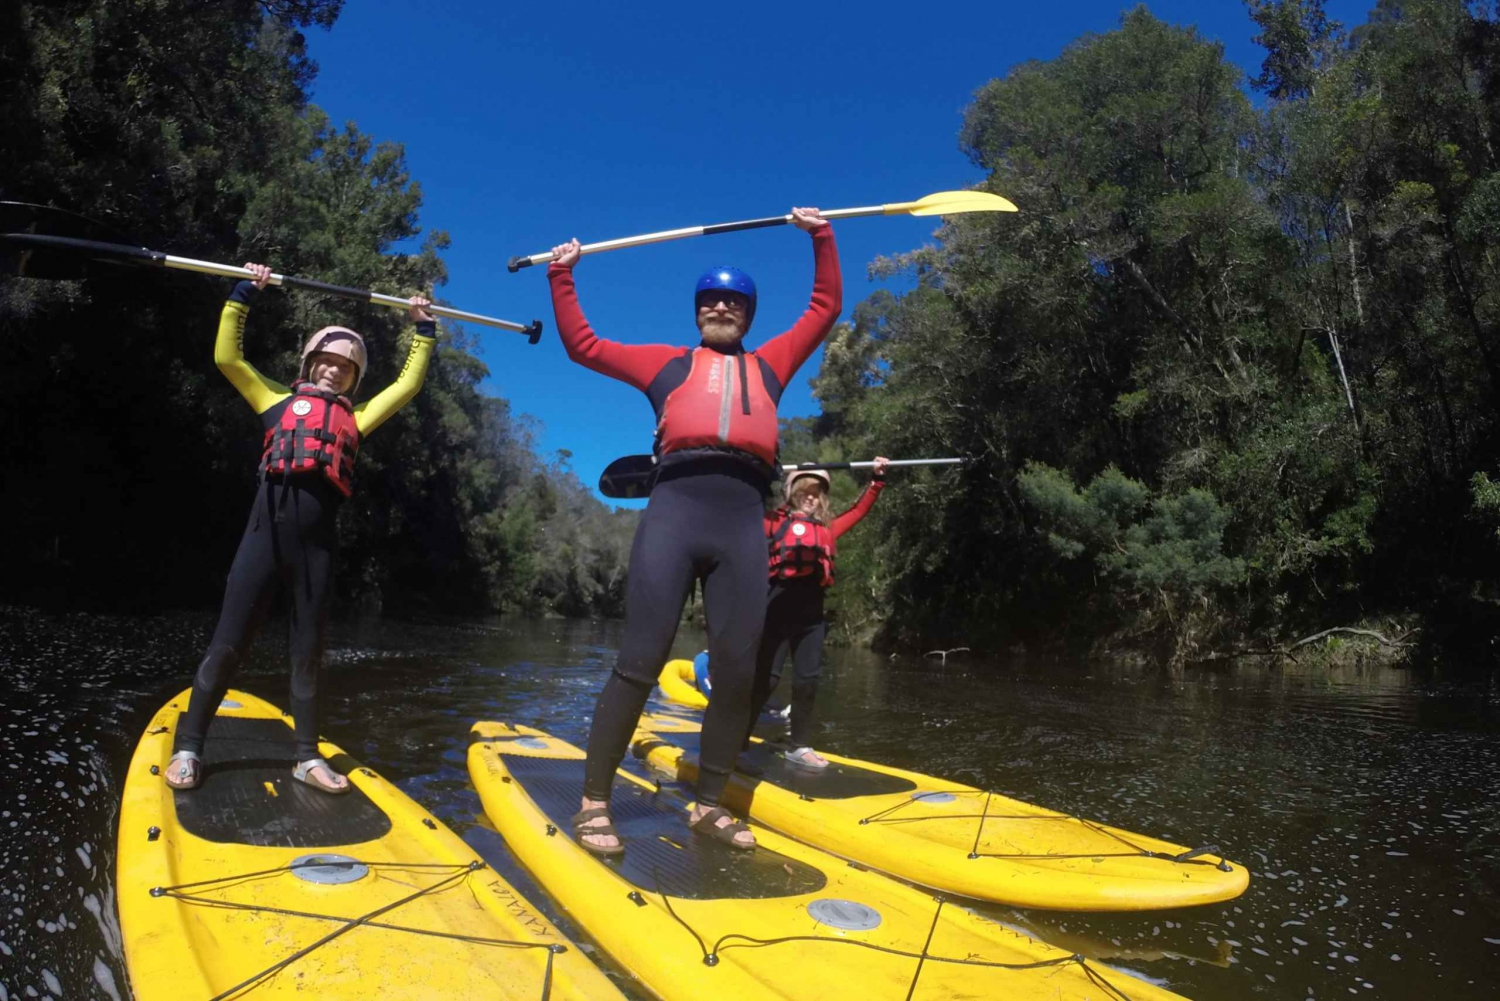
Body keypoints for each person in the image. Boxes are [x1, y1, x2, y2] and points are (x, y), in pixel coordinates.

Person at [548, 207, 841, 852]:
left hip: (741, 520)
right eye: (712, 300)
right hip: (676, 511)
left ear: (748, 315)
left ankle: (708, 803)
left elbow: (824, 307)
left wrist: (820, 235)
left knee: (738, 671)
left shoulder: (771, 366)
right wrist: (563, 277)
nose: (722, 308)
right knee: (639, 663)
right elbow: (584, 346)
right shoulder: (668, 367)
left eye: (734, 302)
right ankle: (595, 800)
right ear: (698, 311)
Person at [165, 263, 437, 794]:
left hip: (315, 550)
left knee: (308, 649)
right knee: (228, 643)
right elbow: (228, 358)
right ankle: (190, 746)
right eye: (326, 362)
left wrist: (421, 328)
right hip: (261, 541)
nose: (334, 372)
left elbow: (406, 385)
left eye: (345, 368)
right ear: (310, 362)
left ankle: (306, 757)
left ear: (355, 380)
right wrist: (244, 293)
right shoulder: (274, 401)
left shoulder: (356, 419)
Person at [746, 458, 888, 769]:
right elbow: (746, 507)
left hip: (811, 616)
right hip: (775, 612)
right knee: (765, 680)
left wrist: (877, 480)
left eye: (817, 492)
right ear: (792, 491)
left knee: (806, 681)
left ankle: (799, 746)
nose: (811, 496)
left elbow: (859, 511)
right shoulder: (770, 522)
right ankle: (737, 737)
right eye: (805, 490)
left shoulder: (828, 528)